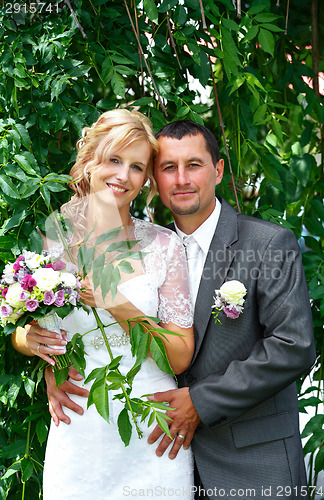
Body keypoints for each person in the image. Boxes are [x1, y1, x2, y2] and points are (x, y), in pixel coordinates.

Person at [40, 120, 316, 500]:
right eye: (169, 168)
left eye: (195, 165)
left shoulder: (266, 243)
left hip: (250, 461)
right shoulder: (156, 242)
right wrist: (48, 361)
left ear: (217, 171)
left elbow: (293, 345)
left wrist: (201, 402)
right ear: (155, 180)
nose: (182, 179)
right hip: (154, 448)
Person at [12, 110, 195, 500]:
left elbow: (180, 357)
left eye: (136, 167)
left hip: (151, 430)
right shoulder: (55, 236)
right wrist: (32, 344)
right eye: (114, 159)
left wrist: (118, 304)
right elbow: (26, 324)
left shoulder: (164, 246)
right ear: (91, 159)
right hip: (79, 427)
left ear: (146, 178)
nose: (123, 176)